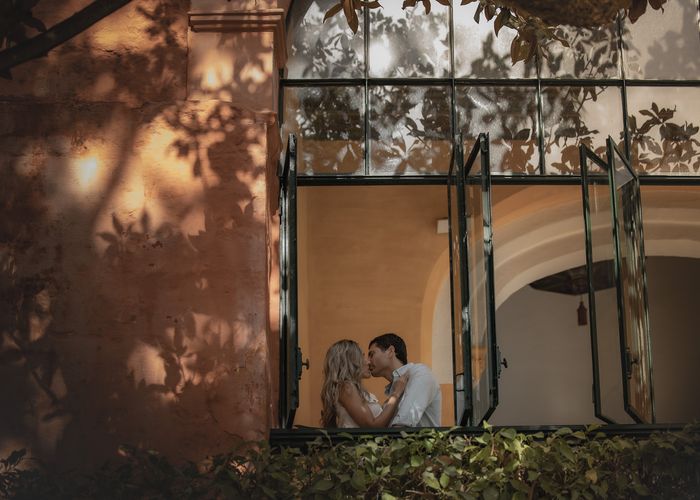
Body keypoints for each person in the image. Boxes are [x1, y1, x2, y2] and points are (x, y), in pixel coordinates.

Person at [321, 339, 408, 428]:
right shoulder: (346, 387)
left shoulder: (349, 388)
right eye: (362, 357)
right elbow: (372, 426)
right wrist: (396, 394)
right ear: (350, 361)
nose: (368, 362)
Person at [368, 333, 441, 427]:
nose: (368, 361)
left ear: (390, 351)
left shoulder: (419, 372)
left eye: (371, 354)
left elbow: (402, 426)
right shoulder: (390, 398)